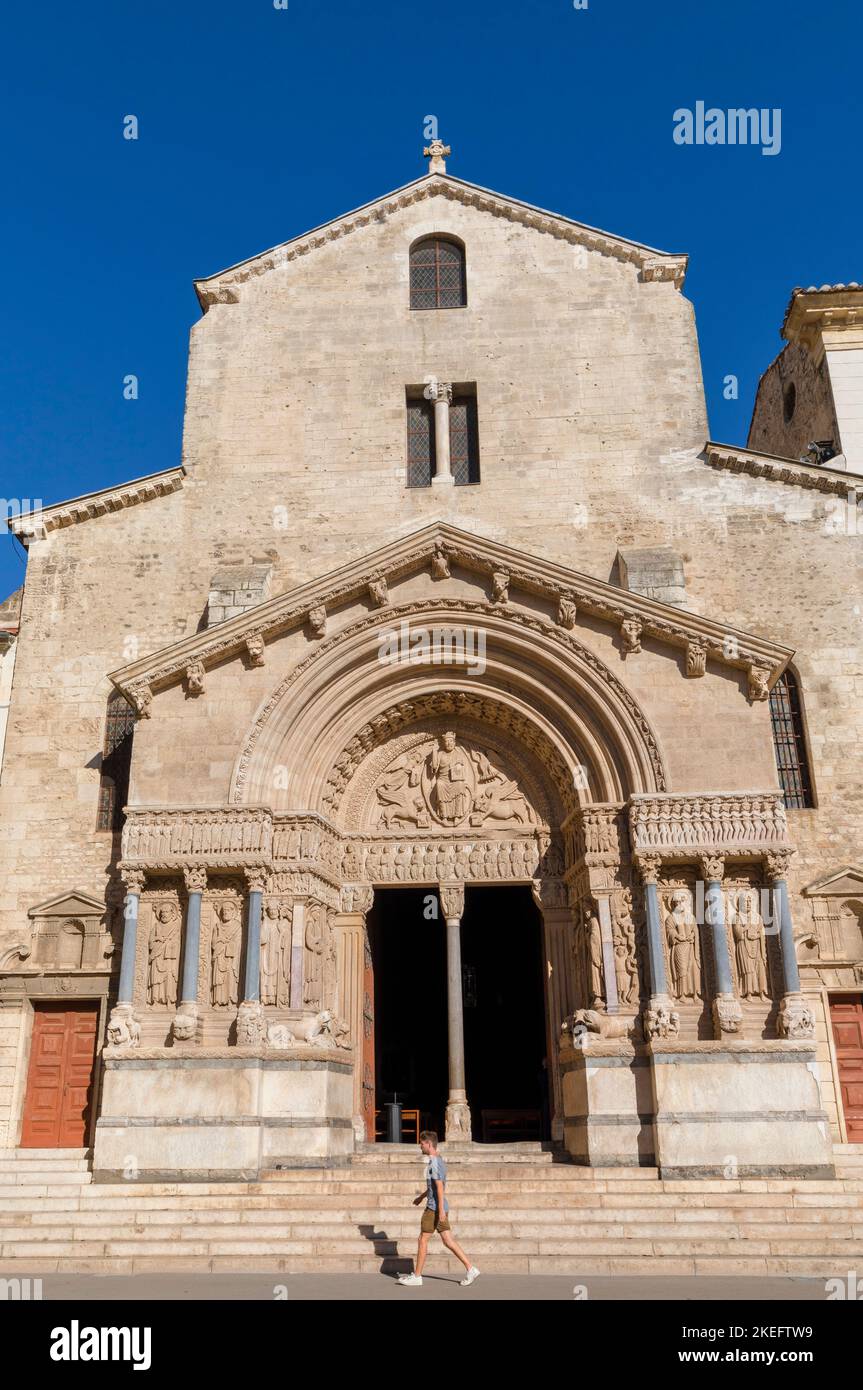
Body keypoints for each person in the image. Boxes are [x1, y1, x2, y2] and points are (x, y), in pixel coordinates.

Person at [395, 1130, 480, 1287]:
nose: (420, 1146)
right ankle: (471, 1268)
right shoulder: (438, 1160)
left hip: (434, 1208)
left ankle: (417, 1276)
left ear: (428, 1144)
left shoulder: (434, 1162)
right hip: (438, 1206)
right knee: (448, 1240)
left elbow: (439, 1187)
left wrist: (439, 1209)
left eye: (421, 1143)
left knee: (422, 1240)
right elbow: (434, 1186)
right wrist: (422, 1196)